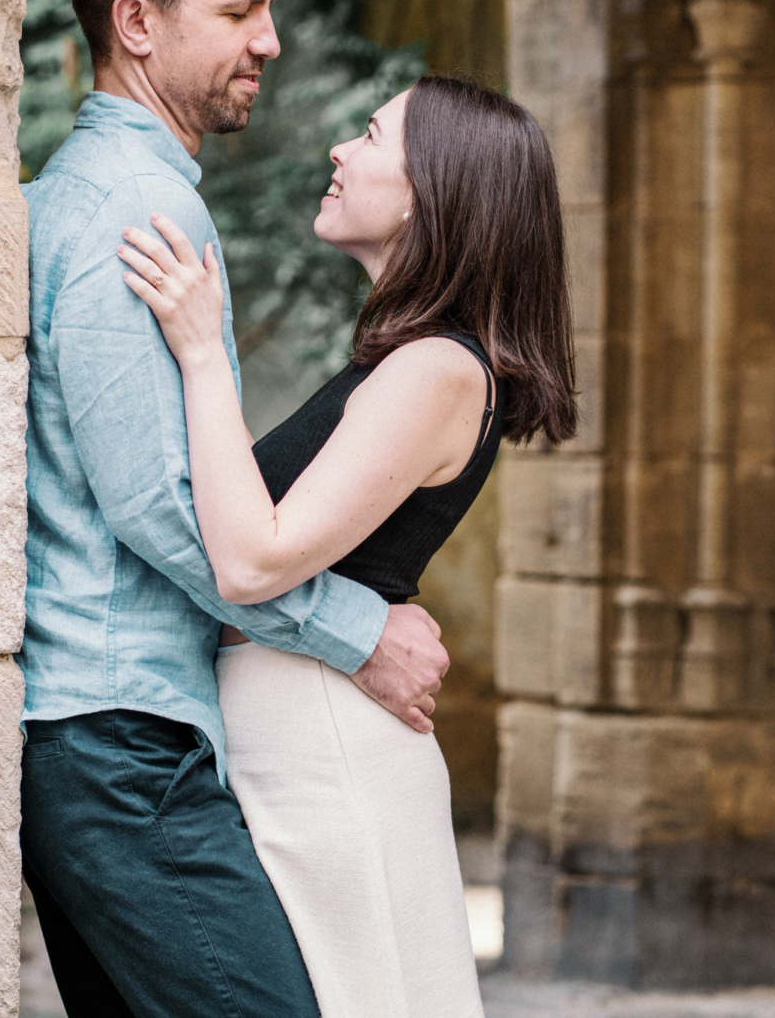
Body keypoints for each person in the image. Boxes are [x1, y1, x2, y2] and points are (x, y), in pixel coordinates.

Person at [17, 0, 450, 1018]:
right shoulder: (127, 206)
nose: (269, 39)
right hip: (117, 742)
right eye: (237, 11)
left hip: (119, 736)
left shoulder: (119, 189)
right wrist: (357, 631)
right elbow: (156, 506)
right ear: (137, 23)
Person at [119, 72, 578, 1018]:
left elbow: (252, 560)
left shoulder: (439, 369)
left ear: (433, 191)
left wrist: (202, 354)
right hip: (298, 727)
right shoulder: (403, 360)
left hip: (325, 745)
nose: (340, 150)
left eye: (371, 137)